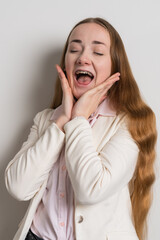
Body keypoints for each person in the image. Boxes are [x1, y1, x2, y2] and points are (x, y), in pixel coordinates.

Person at [5, 17, 157, 240]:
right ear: (66, 62)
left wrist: (78, 120)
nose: (83, 58)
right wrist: (61, 122)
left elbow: (91, 190)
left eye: (97, 52)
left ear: (115, 66)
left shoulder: (130, 122)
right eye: (74, 49)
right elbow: (18, 187)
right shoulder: (46, 119)